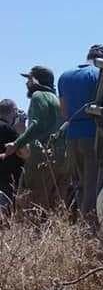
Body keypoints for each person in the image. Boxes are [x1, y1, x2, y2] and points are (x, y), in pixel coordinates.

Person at [2, 66, 67, 211]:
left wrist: (16, 144)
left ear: (37, 80)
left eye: (29, 79)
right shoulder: (56, 100)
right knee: (52, 206)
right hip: (59, 159)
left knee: (29, 204)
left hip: (40, 159)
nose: (27, 83)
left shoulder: (38, 96)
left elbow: (36, 124)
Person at [58, 45, 103, 217]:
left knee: (79, 183)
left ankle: (79, 221)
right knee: (93, 184)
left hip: (72, 136)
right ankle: (90, 226)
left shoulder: (65, 76)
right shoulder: (100, 74)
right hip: (93, 134)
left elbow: (64, 113)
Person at [0, 99, 24, 217]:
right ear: (14, 111)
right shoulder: (8, 130)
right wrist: (21, 130)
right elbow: (23, 152)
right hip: (7, 181)